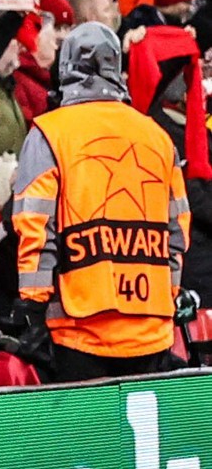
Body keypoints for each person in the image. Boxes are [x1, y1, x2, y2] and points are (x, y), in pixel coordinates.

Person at [11, 19, 193, 379]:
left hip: (79, 329)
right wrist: (168, 297)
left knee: (87, 437)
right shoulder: (157, 137)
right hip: (152, 327)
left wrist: (32, 304)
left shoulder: (50, 133)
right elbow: (177, 232)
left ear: (64, 68)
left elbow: (34, 224)